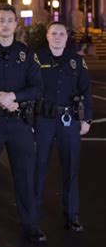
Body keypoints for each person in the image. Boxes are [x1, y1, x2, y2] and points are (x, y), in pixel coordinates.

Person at [0, 4, 46, 244]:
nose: (5, 24)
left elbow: (38, 87)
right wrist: (0, 98)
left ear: (16, 25)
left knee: (25, 176)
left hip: (19, 124)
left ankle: (31, 225)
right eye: (1, 20)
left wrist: (15, 97)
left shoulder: (26, 53)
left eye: (10, 20)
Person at [34, 21, 92, 232]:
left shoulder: (76, 61)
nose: (57, 37)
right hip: (44, 120)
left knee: (71, 170)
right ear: (47, 36)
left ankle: (72, 215)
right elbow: (30, 88)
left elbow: (86, 91)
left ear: (66, 38)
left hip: (69, 120)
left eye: (61, 34)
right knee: (38, 167)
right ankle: (34, 216)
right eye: (53, 33)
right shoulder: (37, 59)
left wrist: (87, 119)